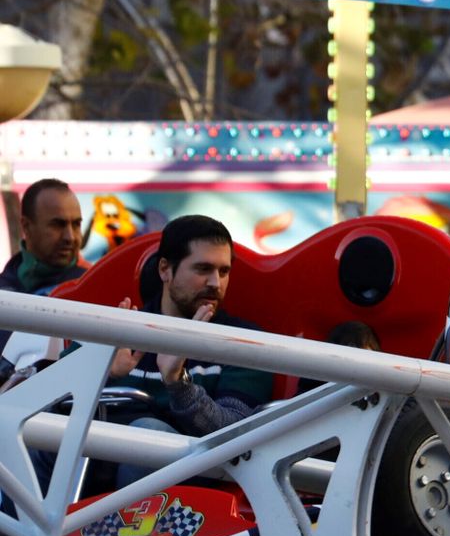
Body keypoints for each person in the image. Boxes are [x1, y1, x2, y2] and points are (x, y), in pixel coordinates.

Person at [105, 215, 272, 437]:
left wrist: (178, 384)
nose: (215, 283)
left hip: (194, 460)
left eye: (224, 271)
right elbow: (59, 408)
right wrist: (103, 373)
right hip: (92, 456)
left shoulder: (246, 342)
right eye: (203, 269)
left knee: (149, 430)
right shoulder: (113, 330)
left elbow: (235, 432)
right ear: (164, 269)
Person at [1, 178, 85, 295]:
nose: (70, 237)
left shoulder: (95, 288)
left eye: (76, 224)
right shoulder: (4, 289)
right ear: (26, 226)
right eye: (58, 224)